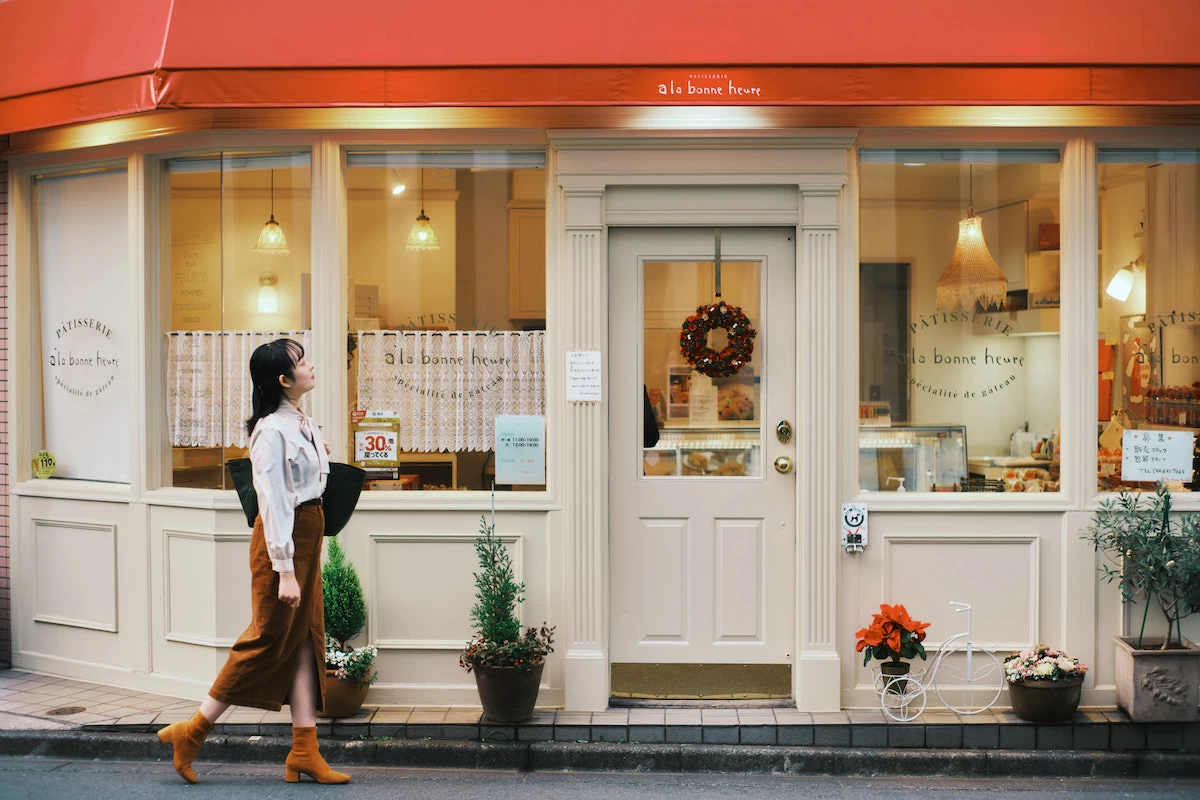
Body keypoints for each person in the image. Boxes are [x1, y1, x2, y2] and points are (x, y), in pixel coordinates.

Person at [157, 338, 349, 785]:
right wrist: (284, 570)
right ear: (283, 380)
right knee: (266, 638)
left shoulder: (300, 422)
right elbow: (274, 502)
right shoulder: (270, 431)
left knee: (304, 637)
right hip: (283, 541)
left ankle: (305, 750)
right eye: (301, 363)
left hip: (306, 534)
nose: (311, 366)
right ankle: (193, 731)